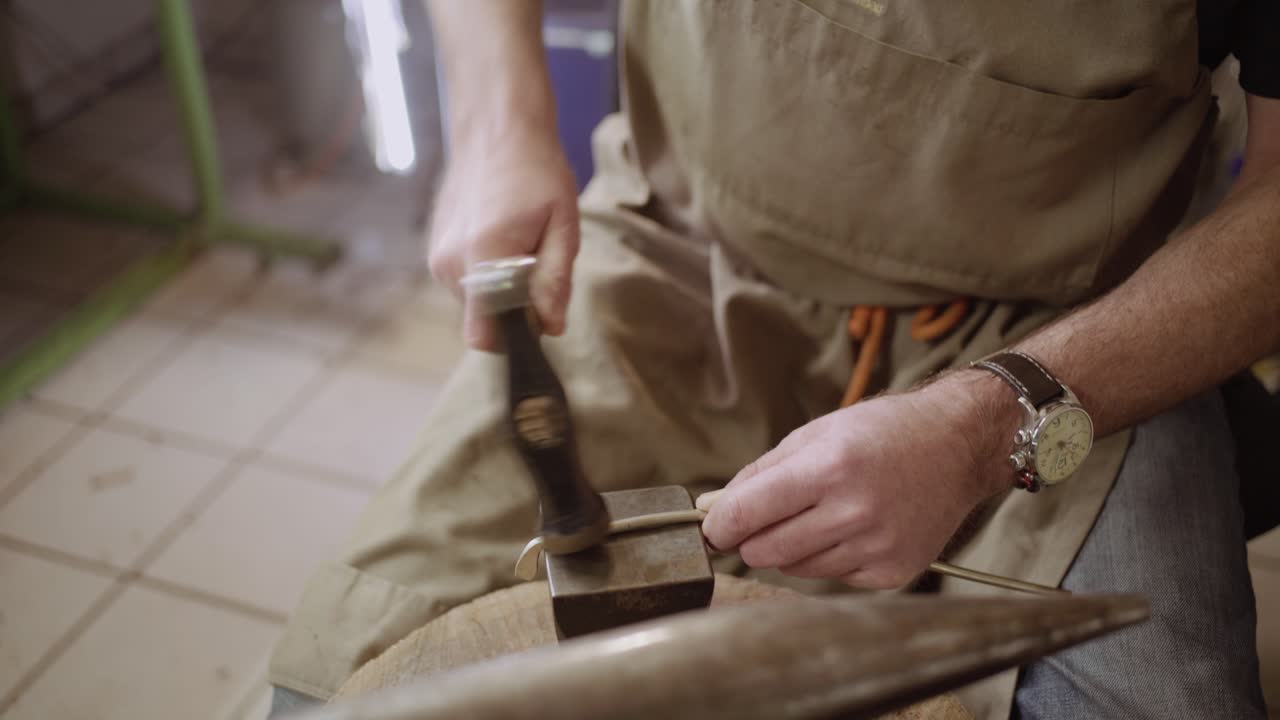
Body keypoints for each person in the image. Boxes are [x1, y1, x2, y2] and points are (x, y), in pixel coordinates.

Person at [269, 2, 1280, 717]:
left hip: (1067, 326)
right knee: (330, 677)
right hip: (673, 247)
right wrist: (499, 119)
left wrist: (978, 427)